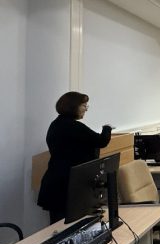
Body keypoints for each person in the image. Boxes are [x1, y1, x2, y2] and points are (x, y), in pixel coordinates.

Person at [37, 91, 113, 224]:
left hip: (56, 181)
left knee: (59, 225)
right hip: (67, 184)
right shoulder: (74, 126)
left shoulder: (55, 124)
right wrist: (107, 128)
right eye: (84, 105)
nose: (86, 109)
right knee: (68, 226)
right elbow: (101, 141)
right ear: (73, 107)